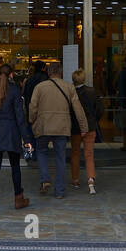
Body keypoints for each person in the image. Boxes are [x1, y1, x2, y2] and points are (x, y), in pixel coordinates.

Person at [28, 61, 88, 199]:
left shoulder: (40, 87)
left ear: (49, 73)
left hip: (43, 125)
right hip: (62, 126)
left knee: (41, 152)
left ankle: (45, 179)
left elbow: (33, 106)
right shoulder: (68, 87)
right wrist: (83, 127)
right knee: (60, 158)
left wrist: (31, 120)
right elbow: (78, 108)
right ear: (60, 73)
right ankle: (60, 191)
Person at [0, 63, 31, 219]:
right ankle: (18, 199)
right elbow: (20, 117)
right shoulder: (15, 91)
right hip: (11, 132)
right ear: (11, 75)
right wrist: (26, 139)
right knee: (15, 166)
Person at [70, 68, 104, 194]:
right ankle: (91, 180)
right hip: (90, 126)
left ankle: (75, 179)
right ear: (83, 79)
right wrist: (94, 119)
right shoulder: (92, 91)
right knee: (89, 154)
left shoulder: (71, 92)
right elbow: (100, 108)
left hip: (75, 127)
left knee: (75, 153)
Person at [22, 60, 48, 125]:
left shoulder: (29, 80)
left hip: (32, 109)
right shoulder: (46, 78)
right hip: (44, 111)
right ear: (43, 68)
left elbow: (26, 95)